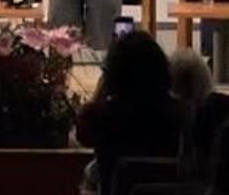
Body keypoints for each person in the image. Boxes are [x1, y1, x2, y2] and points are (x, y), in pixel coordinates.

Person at [76, 31, 183, 195]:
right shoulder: (182, 113)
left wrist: (102, 91)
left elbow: (83, 135)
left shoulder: (103, 116)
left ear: (113, 74)